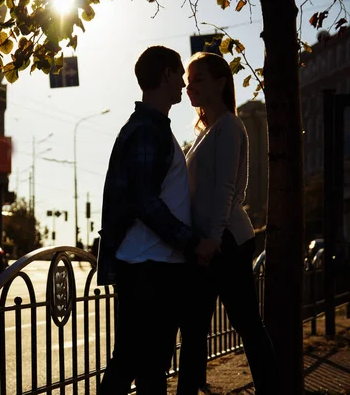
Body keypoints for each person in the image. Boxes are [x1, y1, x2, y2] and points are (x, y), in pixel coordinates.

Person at [96, 46, 219, 395]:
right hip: (148, 268)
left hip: (153, 267)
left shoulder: (152, 129)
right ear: (165, 74)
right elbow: (146, 203)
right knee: (132, 365)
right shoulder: (148, 131)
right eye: (180, 75)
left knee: (148, 368)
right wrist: (195, 242)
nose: (183, 84)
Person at [177, 51, 277, 395]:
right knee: (194, 326)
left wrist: (213, 238)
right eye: (189, 82)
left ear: (221, 82)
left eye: (199, 79)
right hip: (209, 239)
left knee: (245, 323)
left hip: (226, 240)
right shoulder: (207, 132)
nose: (191, 88)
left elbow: (227, 188)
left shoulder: (230, 127)